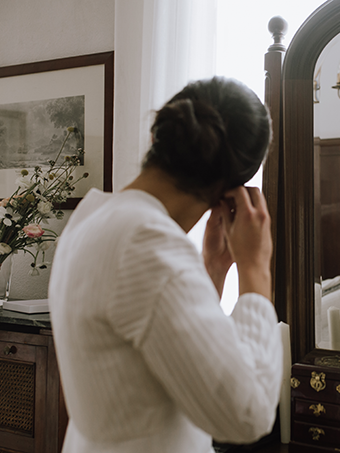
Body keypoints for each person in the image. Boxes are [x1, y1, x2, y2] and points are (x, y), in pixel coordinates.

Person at [49, 77, 282, 453]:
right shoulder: (148, 246)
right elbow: (247, 414)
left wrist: (213, 271)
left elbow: (156, 353)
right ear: (231, 189)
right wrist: (256, 271)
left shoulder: (93, 216)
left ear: (160, 139)